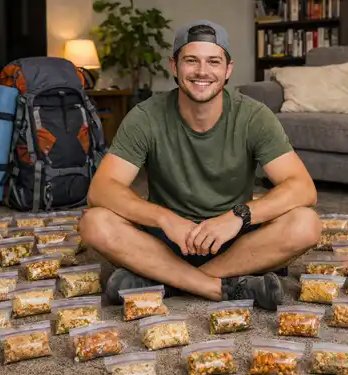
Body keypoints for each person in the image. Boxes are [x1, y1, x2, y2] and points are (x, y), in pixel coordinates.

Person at [79, 20, 321, 311]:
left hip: (234, 240)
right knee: (94, 223)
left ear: (228, 69)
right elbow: (102, 190)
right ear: (174, 66)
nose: (202, 72)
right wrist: (165, 219)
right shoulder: (145, 116)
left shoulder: (254, 115)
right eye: (191, 60)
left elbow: (303, 188)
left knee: (306, 224)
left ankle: (166, 281)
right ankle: (222, 287)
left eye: (213, 62)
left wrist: (238, 216)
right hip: (166, 241)